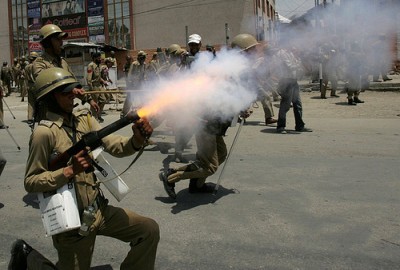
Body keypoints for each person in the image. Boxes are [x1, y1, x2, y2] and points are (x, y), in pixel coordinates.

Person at [8, 67, 159, 270]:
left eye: (73, 90)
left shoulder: (84, 119)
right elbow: (31, 181)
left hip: (97, 210)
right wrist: (69, 171)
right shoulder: (43, 134)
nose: (73, 95)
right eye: (65, 93)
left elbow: (116, 145)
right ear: (50, 97)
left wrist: (137, 139)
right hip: (71, 223)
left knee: (148, 230)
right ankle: (28, 257)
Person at [159, 33, 240, 199]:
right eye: (191, 45)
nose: (194, 48)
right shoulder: (184, 64)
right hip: (202, 118)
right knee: (209, 165)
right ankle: (170, 176)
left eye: (196, 45)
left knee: (220, 155)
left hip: (211, 119)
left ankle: (197, 184)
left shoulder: (206, 61)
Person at [33, 24, 99, 122]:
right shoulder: (40, 63)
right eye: (58, 40)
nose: (61, 43)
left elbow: (74, 83)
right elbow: (46, 87)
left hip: (66, 112)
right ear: (48, 43)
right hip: (49, 116)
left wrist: (89, 100)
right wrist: (70, 90)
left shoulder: (63, 62)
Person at [274, 41, 312, 134]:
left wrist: (298, 58)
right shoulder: (282, 53)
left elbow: (298, 66)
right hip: (286, 81)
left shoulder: (291, 53)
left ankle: (299, 126)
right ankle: (281, 126)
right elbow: (290, 66)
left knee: (297, 104)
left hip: (293, 81)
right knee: (285, 105)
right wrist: (299, 63)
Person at [122, 50, 147, 116]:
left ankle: (142, 113)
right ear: (140, 57)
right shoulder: (134, 64)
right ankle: (123, 113)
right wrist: (130, 85)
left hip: (140, 85)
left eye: (145, 57)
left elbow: (144, 75)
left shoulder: (144, 64)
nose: (145, 59)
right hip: (133, 85)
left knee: (143, 98)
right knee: (129, 99)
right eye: (143, 57)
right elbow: (130, 75)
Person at [87, 52, 108, 122]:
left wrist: (103, 81)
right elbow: (89, 79)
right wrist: (91, 89)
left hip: (99, 85)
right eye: (98, 58)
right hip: (94, 86)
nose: (100, 59)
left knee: (103, 100)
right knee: (94, 102)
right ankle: (94, 118)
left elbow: (98, 77)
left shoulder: (98, 65)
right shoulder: (91, 66)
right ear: (94, 58)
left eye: (100, 58)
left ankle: (98, 114)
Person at [25, 51, 39, 128]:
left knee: (30, 102)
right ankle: (38, 117)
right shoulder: (37, 66)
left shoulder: (27, 67)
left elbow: (25, 77)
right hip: (36, 85)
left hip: (29, 85)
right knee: (39, 101)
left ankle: (30, 118)